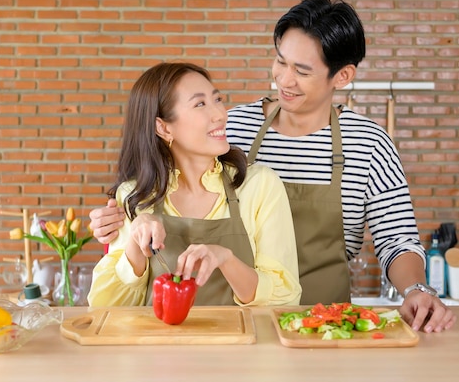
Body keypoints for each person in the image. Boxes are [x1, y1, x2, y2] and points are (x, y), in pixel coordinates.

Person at [89, 0, 456, 333]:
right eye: (280, 60)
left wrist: (416, 289)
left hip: (325, 320)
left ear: (341, 76)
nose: (283, 79)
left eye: (302, 70)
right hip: (246, 323)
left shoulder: (368, 142)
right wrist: (120, 219)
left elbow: (396, 238)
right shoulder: (230, 128)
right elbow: (160, 175)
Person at [87, 62, 301, 307]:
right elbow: (107, 311)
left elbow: (286, 298)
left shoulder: (259, 185)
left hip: (243, 343)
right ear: (163, 127)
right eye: (200, 104)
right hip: (158, 345)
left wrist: (226, 259)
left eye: (217, 99)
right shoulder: (134, 196)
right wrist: (135, 243)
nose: (221, 114)